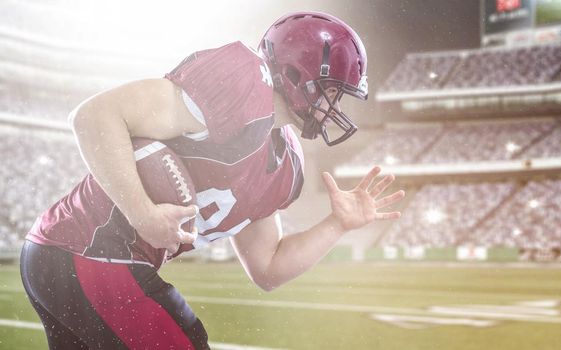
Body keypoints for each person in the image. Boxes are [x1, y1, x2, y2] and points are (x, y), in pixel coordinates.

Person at [20, 12, 404, 349]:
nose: (334, 106)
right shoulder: (240, 85)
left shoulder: (285, 163)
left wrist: (336, 225)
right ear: (296, 73)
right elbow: (93, 116)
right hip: (89, 248)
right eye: (332, 91)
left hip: (71, 257)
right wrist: (142, 215)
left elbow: (267, 269)